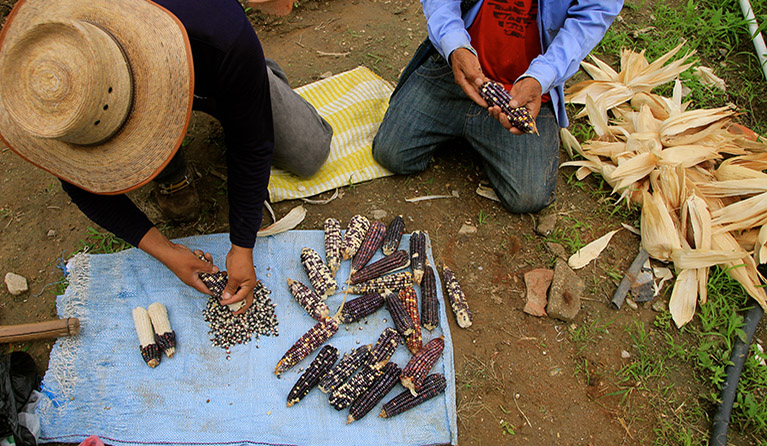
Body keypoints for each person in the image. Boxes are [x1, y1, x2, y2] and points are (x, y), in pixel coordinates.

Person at [0, 0, 333, 312]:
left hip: (213, 60)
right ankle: (166, 166)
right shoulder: (46, 84)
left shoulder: (220, 32)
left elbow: (251, 145)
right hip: (141, 76)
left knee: (309, 152)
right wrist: (166, 251)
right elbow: (79, 184)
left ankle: (254, 81)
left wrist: (243, 245)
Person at [373, 0, 623, 213]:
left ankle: (469, 130)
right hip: (460, 68)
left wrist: (541, 77)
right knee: (391, 154)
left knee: (528, 197)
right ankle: (470, 130)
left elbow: (590, 19)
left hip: (525, 90)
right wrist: (454, 44)